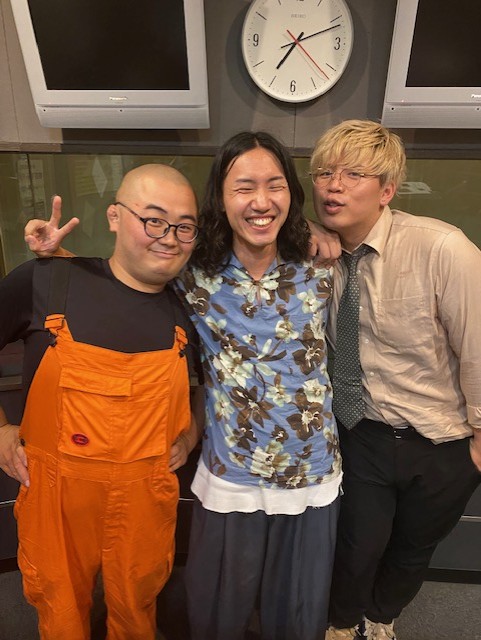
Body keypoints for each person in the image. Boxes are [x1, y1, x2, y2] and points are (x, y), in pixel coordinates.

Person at [25, 131, 343, 640]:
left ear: (292, 193)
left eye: (275, 185)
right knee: (217, 613)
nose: (261, 201)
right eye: (244, 187)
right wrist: (55, 261)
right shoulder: (194, 273)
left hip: (312, 469)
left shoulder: (323, 266)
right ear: (221, 197)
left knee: (297, 615)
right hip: (231, 472)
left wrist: (318, 231)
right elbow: (124, 275)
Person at [0, 164, 204, 640]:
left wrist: (193, 432)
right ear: (114, 216)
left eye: (184, 227)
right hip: (54, 499)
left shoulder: (192, 311)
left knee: (136, 611)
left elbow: (214, 385)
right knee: (61, 613)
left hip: (145, 498)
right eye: (153, 220)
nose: (169, 238)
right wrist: (1, 430)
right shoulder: (47, 281)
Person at [309, 120, 481, 640]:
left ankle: (381, 617)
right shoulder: (313, 252)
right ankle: (342, 624)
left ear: (386, 190)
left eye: (353, 174)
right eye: (324, 173)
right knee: (357, 545)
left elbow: (478, 348)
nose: (334, 186)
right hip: (364, 430)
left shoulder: (442, 248)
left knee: (412, 548)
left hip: (442, 438)